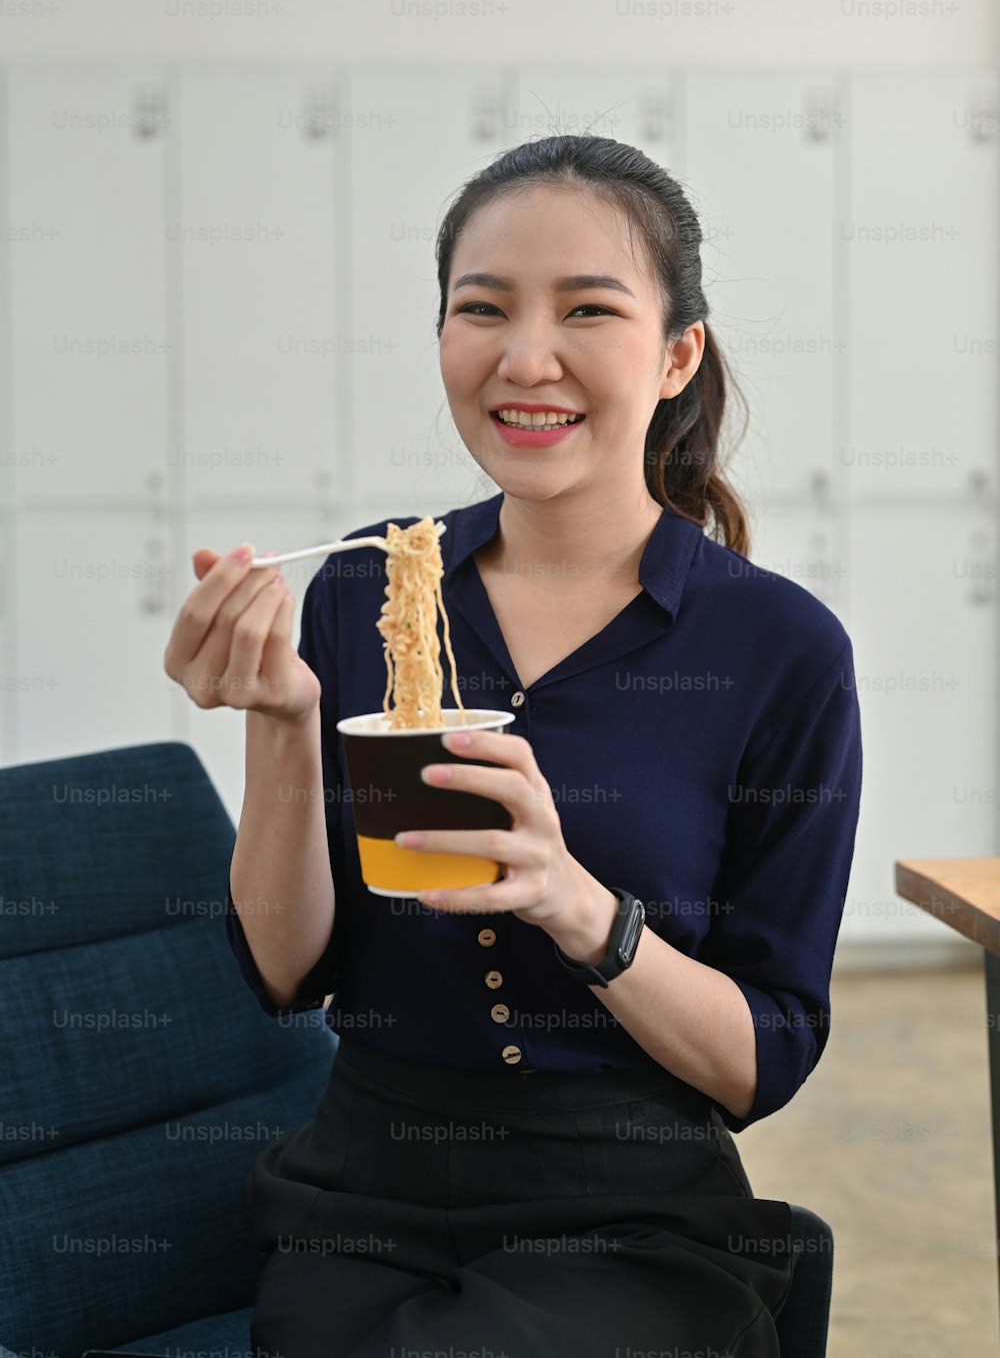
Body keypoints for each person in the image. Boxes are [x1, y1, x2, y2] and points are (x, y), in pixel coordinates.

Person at [164, 134, 863, 1357]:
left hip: (630, 1209)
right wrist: (282, 727)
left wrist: (574, 903)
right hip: (359, 1190)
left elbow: (764, 1062)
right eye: (479, 309)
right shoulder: (368, 591)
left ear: (675, 353)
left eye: (587, 309)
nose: (523, 357)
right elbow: (287, 975)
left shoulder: (778, 649)